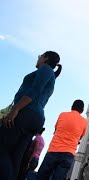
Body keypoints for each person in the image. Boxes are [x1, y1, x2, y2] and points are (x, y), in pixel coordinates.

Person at [0, 51, 62, 180]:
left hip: (26, 112)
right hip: (34, 118)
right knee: (16, 156)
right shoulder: (49, 74)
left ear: (45, 58)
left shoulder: (46, 69)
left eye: (40, 56)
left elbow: (35, 89)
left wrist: (15, 109)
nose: (38, 58)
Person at [37, 100, 88, 179]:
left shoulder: (62, 115)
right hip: (68, 154)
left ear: (72, 107)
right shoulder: (85, 122)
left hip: (53, 150)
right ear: (82, 110)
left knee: (42, 176)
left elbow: (56, 130)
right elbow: (80, 137)